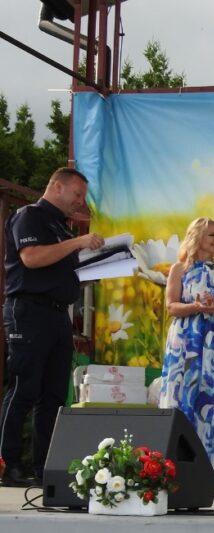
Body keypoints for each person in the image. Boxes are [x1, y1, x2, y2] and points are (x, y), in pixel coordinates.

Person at [1, 167, 104, 487]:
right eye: (76, 195)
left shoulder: (61, 228)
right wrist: (77, 244)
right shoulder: (30, 216)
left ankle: (44, 467)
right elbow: (31, 258)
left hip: (59, 316)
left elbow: (61, 270)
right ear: (57, 187)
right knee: (23, 388)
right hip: (29, 310)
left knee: (53, 395)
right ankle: (9, 463)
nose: (79, 202)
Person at [158, 217, 214, 487]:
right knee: (182, 396)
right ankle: (174, 469)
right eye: (212, 235)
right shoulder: (179, 269)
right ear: (196, 236)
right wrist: (194, 306)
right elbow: (171, 306)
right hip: (186, 341)